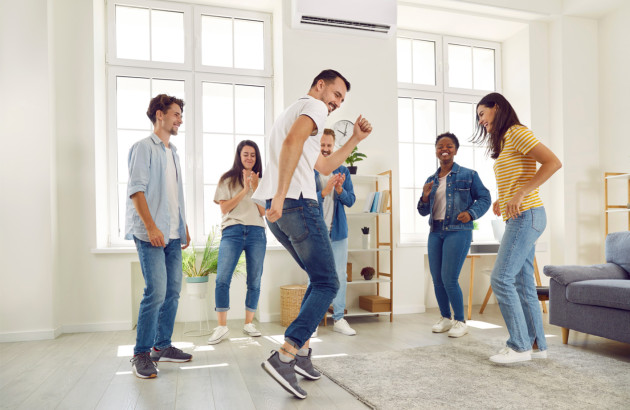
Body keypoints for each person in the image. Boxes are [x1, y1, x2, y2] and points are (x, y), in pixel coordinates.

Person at [252, 69, 372, 399]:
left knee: (316, 278)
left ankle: (302, 355)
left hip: (280, 212)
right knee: (328, 282)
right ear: (320, 86)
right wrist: (280, 195)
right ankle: (286, 354)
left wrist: (355, 140)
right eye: (335, 95)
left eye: (342, 100)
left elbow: (323, 165)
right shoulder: (314, 107)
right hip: (296, 204)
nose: (336, 103)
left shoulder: (294, 111)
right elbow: (291, 144)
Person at [473, 92, 561, 364]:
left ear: (496, 108)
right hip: (521, 215)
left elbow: (553, 162)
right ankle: (536, 344)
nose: (480, 121)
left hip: (528, 214)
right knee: (523, 284)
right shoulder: (506, 139)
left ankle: (519, 346)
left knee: (500, 279)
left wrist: (521, 193)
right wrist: (506, 197)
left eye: (482, 114)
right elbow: (518, 173)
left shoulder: (516, 132)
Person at [126, 94, 193, 379]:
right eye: (176, 114)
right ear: (159, 115)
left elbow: (173, 195)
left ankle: (161, 347)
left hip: (173, 233)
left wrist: (183, 225)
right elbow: (136, 191)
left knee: (173, 292)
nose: (180, 119)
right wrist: (152, 227)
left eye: (180, 115)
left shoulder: (173, 152)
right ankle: (141, 353)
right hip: (150, 233)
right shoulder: (143, 148)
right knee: (155, 292)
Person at [417, 132, 491, 338]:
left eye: (449, 146)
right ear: (436, 151)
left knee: (449, 278)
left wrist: (471, 213)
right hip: (435, 232)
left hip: (458, 230)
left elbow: (485, 198)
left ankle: (460, 321)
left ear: (456, 150)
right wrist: (424, 195)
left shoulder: (469, 175)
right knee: (437, 278)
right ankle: (446, 318)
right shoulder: (431, 179)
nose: (444, 149)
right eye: (440, 146)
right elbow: (422, 211)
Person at [207, 140, 267, 344]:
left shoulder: (263, 180)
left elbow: (263, 212)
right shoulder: (227, 179)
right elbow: (224, 209)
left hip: (257, 233)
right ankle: (222, 327)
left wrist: (257, 187)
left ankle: (249, 324)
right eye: (246, 154)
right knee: (222, 278)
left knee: (255, 279)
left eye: (253, 154)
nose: (249, 158)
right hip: (232, 231)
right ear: (239, 156)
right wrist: (245, 189)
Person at [314, 129, 357, 336]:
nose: (325, 149)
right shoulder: (309, 169)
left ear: (334, 146)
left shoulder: (343, 170)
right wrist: (324, 191)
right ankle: (311, 322)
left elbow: (351, 200)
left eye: (328, 145)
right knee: (314, 276)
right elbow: (306, 200)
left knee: (340, 275)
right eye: (322, 145)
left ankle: (339, 318)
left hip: (338, 231)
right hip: (315, 232)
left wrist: (339, 190)